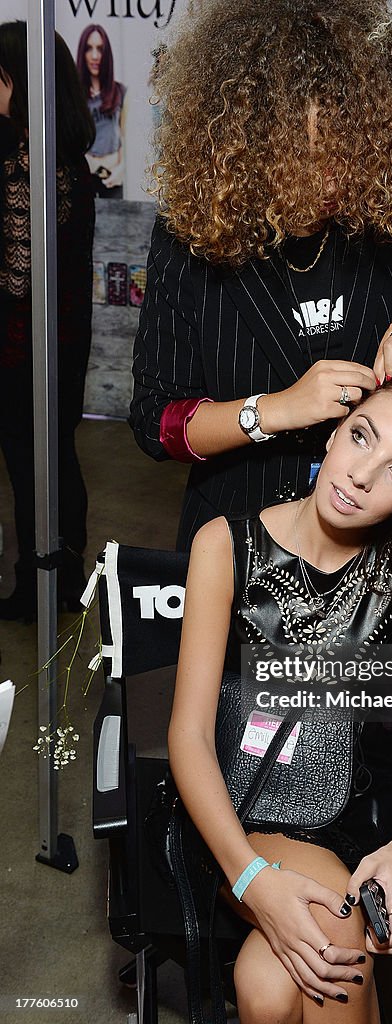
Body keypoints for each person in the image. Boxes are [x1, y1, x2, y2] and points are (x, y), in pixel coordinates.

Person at [169, 370, 392, 1022]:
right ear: (334, 429)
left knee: (267, 993)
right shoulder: (225, 544)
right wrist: (248, 878)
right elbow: (185, 736)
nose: (359, 475)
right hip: (237, 814)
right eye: (360, 437)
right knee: (333, 928)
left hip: (357, 815)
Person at [130, 0, 392, 552]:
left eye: (349, 150)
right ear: (247, 146)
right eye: (305, 153)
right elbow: (157, 422)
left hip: (378, 541)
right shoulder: (190, 232)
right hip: (240, 534)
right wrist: (278, 409)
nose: (334, 174)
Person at [0, 21, 95, 621]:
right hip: (61, 338)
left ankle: (38, 581)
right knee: (57, 455)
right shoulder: (68, 154)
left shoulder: (29, 159)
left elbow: (14, 275)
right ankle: (62, 575)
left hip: (24, 345)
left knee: (30, 460)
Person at [76, 24, 126, 199]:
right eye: (89, 48)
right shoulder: (75, 95)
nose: (95, 56)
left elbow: (126, 138)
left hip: (112, 177)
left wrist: (121, 169)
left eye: (100, 49)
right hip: (84, 175)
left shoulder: (121, 92)